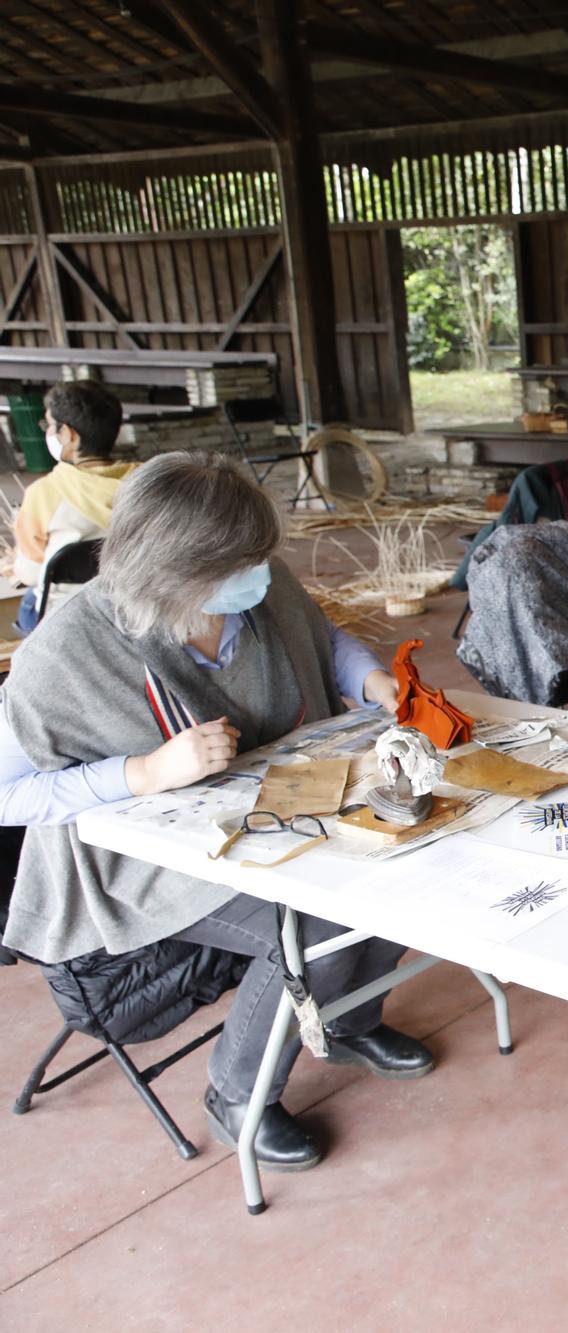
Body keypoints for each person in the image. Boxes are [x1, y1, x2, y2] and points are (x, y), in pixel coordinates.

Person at [0, 451, 432, 1171]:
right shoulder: (69, 652)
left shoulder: (252, 584)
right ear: (173, 572)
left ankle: (352, 1020)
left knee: (401, 851)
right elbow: (7, 793)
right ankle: (238, 1094)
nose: (260, 577)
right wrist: (142, 771)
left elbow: (319, 638)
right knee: (319, 919)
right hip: (140, 863)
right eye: (240, 567)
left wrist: (371, 680)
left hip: (263, 806)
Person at [13, 380, 136, 631]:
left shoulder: (45, 493)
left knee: (29, 600)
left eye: (49, 424)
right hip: (136, 604)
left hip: (69, 617)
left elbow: (30, 574)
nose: (47, 430)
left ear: (69, 434)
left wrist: (13, 562)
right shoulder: (149, 481)